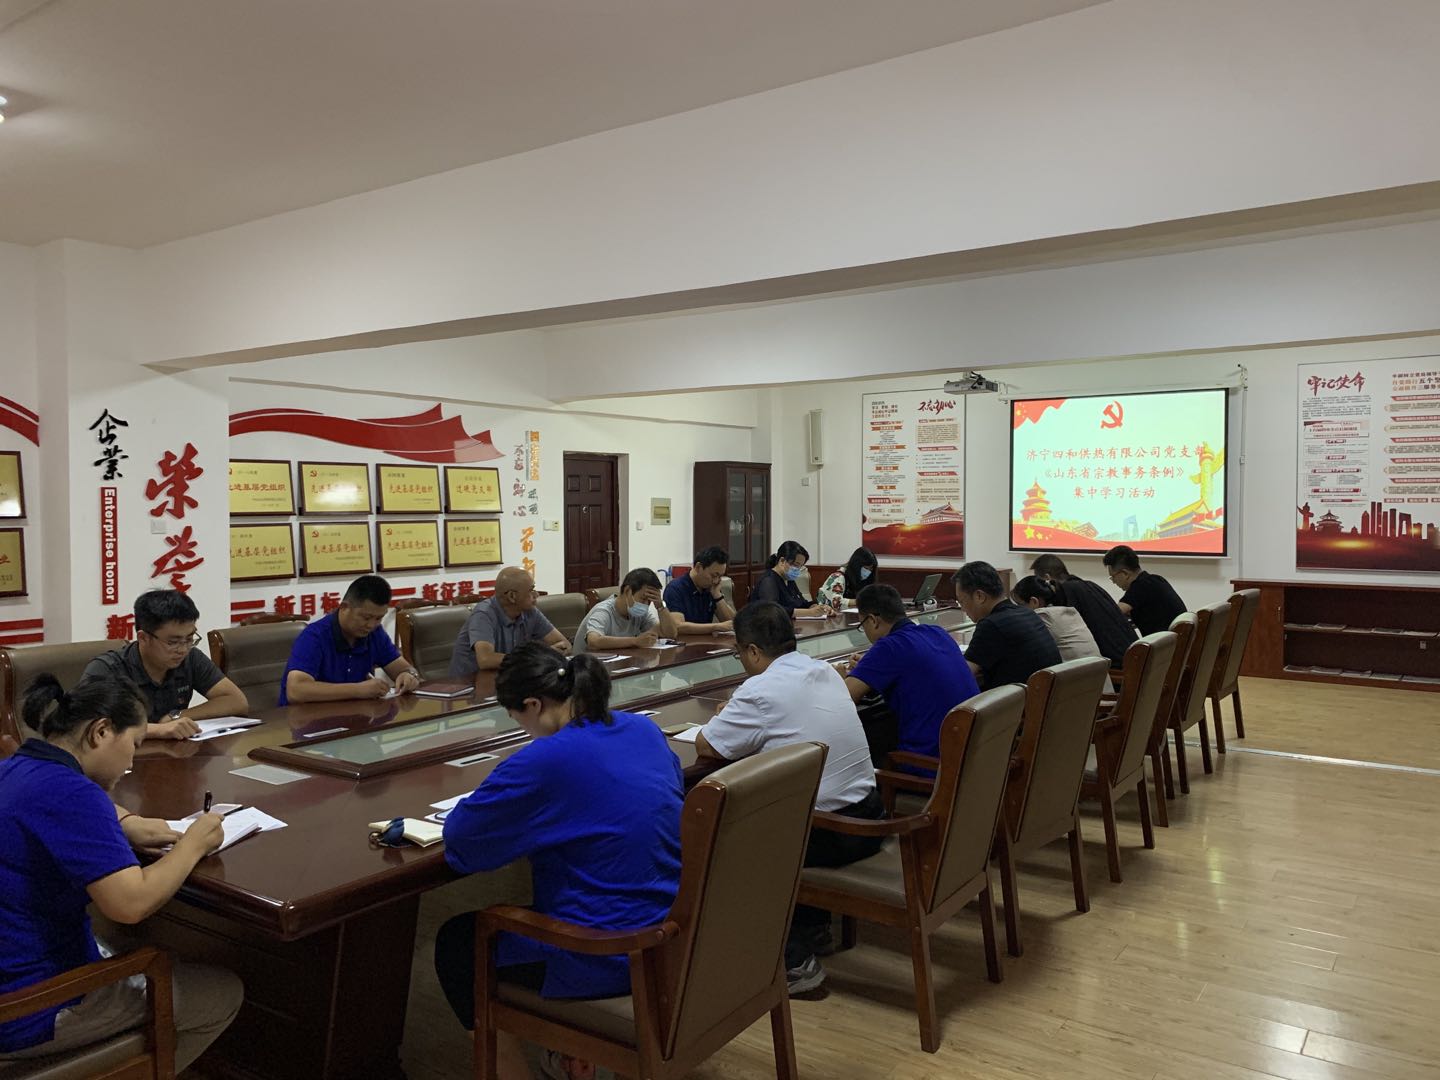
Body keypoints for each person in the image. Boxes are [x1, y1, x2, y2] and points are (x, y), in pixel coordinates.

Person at [435, 645, 682, 1080]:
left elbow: (463, 843)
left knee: (457, 944)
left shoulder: (545, 759)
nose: (523, 730)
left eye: (516, 718)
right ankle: (570, 1054)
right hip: (671, 930)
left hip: (608, 949)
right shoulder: (642, 729)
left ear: (533, 705)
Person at [0, 675, 243, 1070]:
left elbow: (51, 808)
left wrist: (127, 821)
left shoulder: (14, 768)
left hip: (12, 968)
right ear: (101, 731)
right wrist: (194, 843)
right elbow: (131, 904)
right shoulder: (76, 794)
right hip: (30, 1007)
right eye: (133, 744)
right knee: (222, 994)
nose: (131, 762)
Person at [695, 602, 880, 995]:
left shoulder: (760, 689)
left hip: (830, 834)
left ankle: (794, 962)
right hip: (870, 815)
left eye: (739, 653)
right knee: (787, 810)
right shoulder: (824, 671)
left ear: (752, 651)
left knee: (725, 841)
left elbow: (707, 746)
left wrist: (730, 714)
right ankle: (813, 927)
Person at [837, 583, 979, 764]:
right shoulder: (936, 632)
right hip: (971, 756)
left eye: (862, 625)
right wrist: (868, 666)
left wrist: (838, 677)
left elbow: (842, 698)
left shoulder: (888, 647)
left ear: (872, 620)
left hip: (931, 764)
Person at [83, 590, 248, 740]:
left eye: (189, 639)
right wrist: (158, 730)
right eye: (173, 642)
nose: (183, 649)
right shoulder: (107, 668)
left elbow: (236, 701)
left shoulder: (191, 658)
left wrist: (177, 716)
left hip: (173, 755)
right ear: (143, 638)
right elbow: (86, 725)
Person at [279, 574, 421, 705]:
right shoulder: (315, 636)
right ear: (344, 607)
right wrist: (358, 690)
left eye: (379, 618)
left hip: (353, 715)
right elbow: (296, 691)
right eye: (366, 617)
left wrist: (409, 675)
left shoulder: (375, 633)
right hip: (305, 719)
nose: (371, 625)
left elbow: (403, 668)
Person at [954, 561, 1061, 689]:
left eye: (962, 601)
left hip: (1022, 699)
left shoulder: (991, 624)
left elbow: (962, 675)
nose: (962, 609)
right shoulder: (1027, 613)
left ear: (979, 596)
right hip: (1046, 695)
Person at [449, 566, 571, 676]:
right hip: (468, 684)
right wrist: (537, 656)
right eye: (531, 590)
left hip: (506, 677)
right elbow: (486, 659)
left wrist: (547, 653)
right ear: (512, 596)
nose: (536, 594)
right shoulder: (484, 614)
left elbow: (564, 644)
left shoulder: (530, 612)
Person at [1029, 554, 1136, 666]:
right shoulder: (1088, 585)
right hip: (1131, 654)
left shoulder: (1066, 592)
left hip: (1115, 663)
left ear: (1047, 578)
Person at [1011, 576, 1115, 690]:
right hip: (1100, 690)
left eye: (1019, 605)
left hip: (1083, 693)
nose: (1017, 610)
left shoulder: (1043, 616)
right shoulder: (1068, 612)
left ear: (1034, 602)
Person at [575, 568, 680, 653]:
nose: (646, 605)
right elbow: (593, 641)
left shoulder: (640, 613)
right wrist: (635, 641)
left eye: (650, 601)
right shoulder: (603, 611)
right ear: (627, 591)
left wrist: (660, 606)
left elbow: (669, 634)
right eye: (643, 599)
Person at [1102, 544, 1187, 635]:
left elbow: (1112, 613)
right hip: (1180, 639)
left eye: (1113, 576)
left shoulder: (1140, 586)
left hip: (1167, 642)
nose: (1113, 581)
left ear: (1125, 573)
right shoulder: (1156, 579)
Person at [747, 540, 832, 618]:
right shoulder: (768, 580)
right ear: (782, 561)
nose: (798, 569)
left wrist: (816, 607)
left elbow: (801, 603)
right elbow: (773, 611)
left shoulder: (788, 580)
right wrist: (809, 612)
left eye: (800, 566)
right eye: (796, 565)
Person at [663, 545, 737, 633]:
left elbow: (734, 624)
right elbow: (678, 626)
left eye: (720, 576)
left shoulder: (711, 587)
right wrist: (715, 627)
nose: (716, 581)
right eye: (714, 575)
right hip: (684, 640)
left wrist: (718, 596)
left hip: (707, 640)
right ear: (698, 567)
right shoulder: (675, 589)